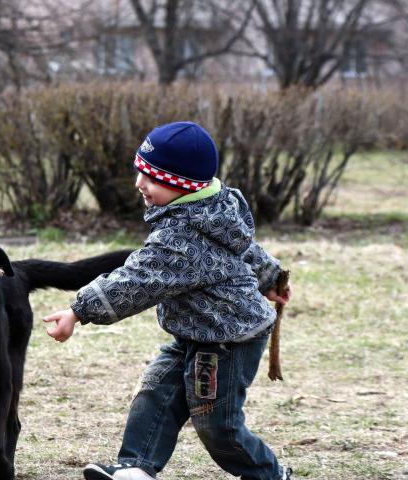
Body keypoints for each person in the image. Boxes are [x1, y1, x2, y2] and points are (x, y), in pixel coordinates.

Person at [43, 121, 293, 480]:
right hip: (195, 331)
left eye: (152, 178)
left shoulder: (182, 237)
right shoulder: (212, 208)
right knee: (156, 393)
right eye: (140, 172)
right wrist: (271, 277)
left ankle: (269, 475)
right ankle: (135, 469)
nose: (139, 184)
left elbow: (137, 280)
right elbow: (243, 247)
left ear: (183, 185)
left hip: (227, 341)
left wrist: (79, 311)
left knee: (218, 426)